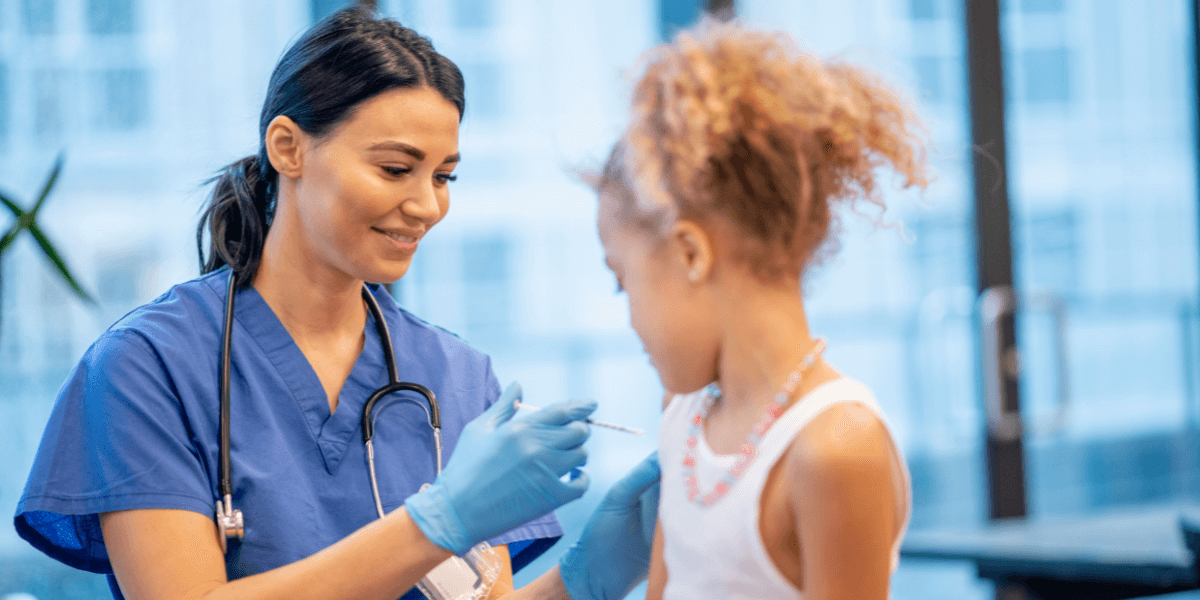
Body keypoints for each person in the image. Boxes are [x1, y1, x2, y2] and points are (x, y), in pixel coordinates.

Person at [13, 8, 656, 600]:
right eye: (396, 169)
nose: (428, 206)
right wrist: (434, 524)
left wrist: (587, 578)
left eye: (443, 176)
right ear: (288, 147)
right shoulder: (147, 369)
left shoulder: (456, 377)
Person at [593, 19, 929, 600]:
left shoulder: (835, 448)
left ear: (691, 253)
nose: (631, 320)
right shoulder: (686, 415)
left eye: (625, 283)